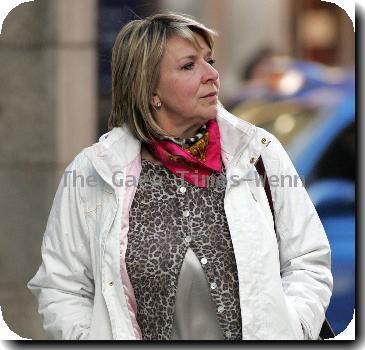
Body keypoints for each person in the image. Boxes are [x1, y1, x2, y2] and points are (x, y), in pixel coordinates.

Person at [27, 12, 333, 340]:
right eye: (189, 66)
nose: (212, 74)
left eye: (209, 60)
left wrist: (294, 328)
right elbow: (62, 288)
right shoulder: (93, 173)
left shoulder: (259, 154)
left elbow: (308, 260)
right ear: (150, 90)